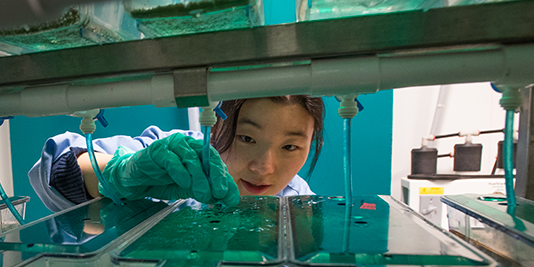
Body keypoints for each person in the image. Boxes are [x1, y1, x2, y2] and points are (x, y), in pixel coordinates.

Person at [29, 95, 325, 212]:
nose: (264, 167)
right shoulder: (174, 154)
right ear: (217, 123)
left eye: (290, 147)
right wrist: (121, 173)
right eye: (246, 138)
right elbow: (55, 169)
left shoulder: (299, 202)